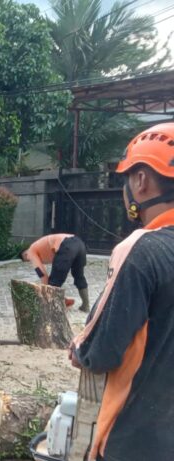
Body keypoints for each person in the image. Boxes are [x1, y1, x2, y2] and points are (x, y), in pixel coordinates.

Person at [69, 122, 174, 460]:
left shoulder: (141, 249)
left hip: (138, 436)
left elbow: (101, 349)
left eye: (127, 178)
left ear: (141, 180)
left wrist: (78, 350)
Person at [21, 234, 90, 311]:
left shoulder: (30, 251)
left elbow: (41, 272)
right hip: (79, 244)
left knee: (54, 282)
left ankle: (52, 309)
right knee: (79, 276)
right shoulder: (40, 247)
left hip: (66, 245)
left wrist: (46, 288)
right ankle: (85, 306)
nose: (29, 260)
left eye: (27, 259)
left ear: (25, 254)